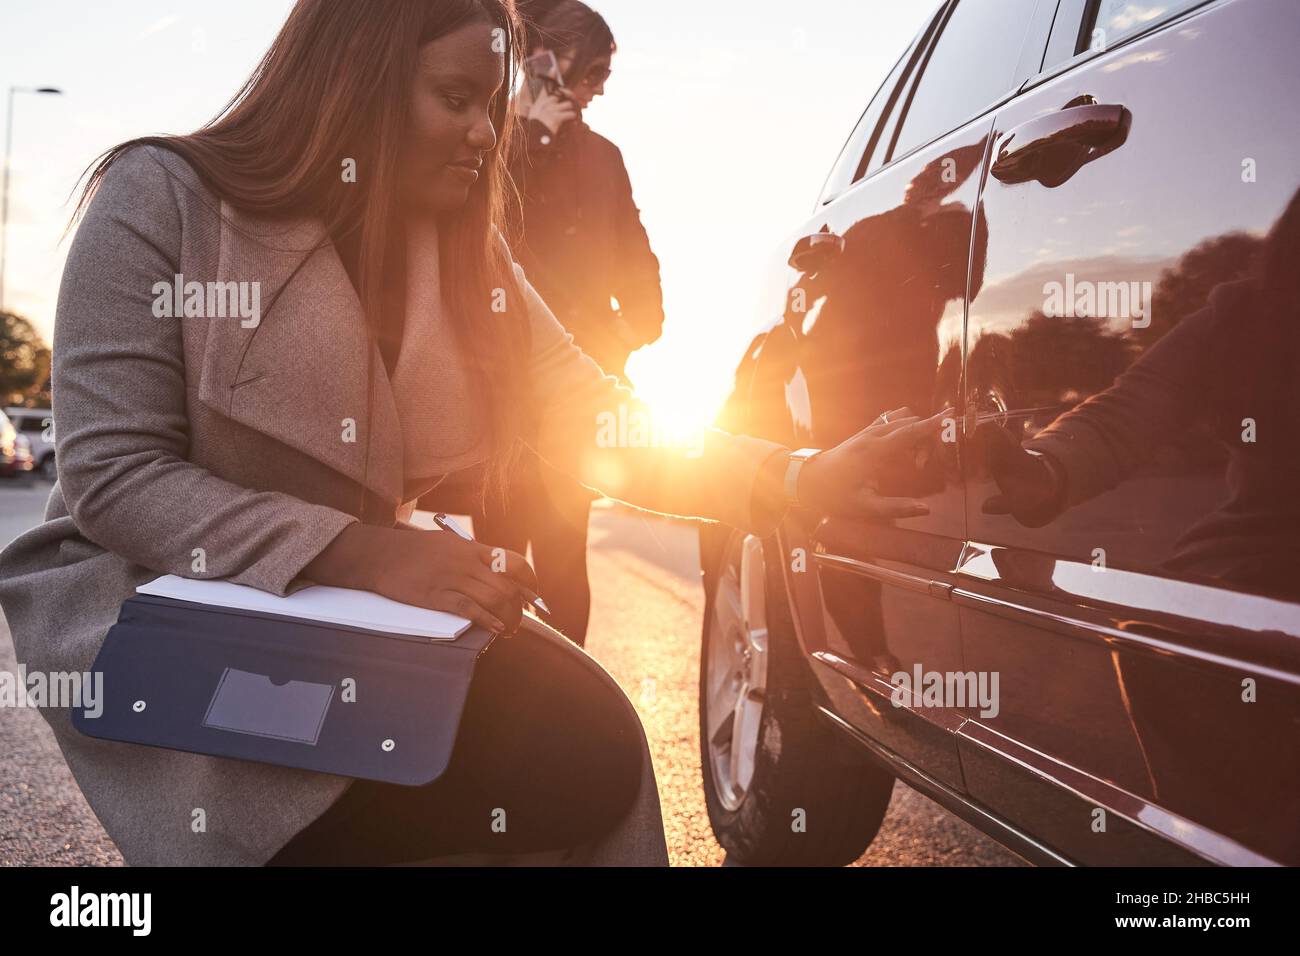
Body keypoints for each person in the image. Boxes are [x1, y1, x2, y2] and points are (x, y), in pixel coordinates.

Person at [0, 0, 941, 867]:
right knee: (343, 800)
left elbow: (590, 411)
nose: (486, 134)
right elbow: (114, 476)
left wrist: (796, 477)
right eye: (456, 98)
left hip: (351, 624)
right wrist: (358, 554)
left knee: (587, 743)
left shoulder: (461, 248)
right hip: (164, 600)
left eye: (492, 103)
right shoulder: (158, 197)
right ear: (353, 79)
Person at [458, 0, 661, 646]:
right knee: (496, 551)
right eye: (591, 71)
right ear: (545, 63)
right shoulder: (485, 145)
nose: (599, 87)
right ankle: (489, 697)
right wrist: (530, 133)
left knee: (564, 555)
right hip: (498, 391)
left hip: (577, 397)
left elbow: (639, 265)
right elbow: (470, 228)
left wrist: (621, 339)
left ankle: (565, 704)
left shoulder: (604, 157)